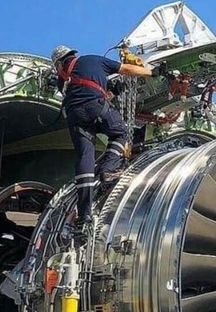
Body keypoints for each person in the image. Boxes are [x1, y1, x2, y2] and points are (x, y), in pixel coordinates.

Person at [50, 44, 163, 228]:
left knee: (84, 157)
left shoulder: (62, 80)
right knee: (121, 133)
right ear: (72, 54)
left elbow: (83, 90)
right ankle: (108, 169)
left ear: (59, 63)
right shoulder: (92, 59)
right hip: (96, 107)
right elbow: (126, 68)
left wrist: (111, 90)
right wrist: (152, 72)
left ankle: (84, 215)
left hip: (74, 116)